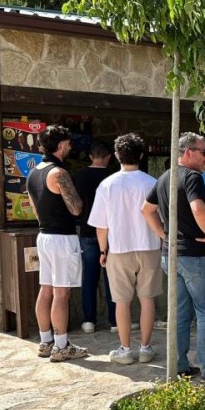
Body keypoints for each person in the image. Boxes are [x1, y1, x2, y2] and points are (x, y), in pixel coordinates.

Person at [142, 132, 205, 383]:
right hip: (196, 256)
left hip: (173, 256)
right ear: (188, 152)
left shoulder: (165, 177)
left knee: (180, 314)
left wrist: (165, 236)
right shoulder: (192, 177)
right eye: (204, 152)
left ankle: (180, 366)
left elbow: (146, 210)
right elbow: (198, 207)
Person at [87, 133, 162, 365]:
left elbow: (101, 225)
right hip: (149, 246)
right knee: (147, 299)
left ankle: (125, 349)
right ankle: (146, 348)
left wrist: (103, 251)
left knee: (122, 301)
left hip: (119, 248)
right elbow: (161, 217)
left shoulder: (107, 185)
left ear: (117, 155)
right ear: (141, 155)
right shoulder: (152, 182)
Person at [26, 125, 89, 363]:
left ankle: (46, 341)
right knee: (62, 293)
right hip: (62, 237)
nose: (71, 147)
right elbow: (76, 208)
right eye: (69, 143)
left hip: (44, 235)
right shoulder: (59, 173)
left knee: (46, 289)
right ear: (61, 145)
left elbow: (34, 209)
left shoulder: (33, 173)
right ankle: (61, 346)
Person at [73, 141, 118, 334]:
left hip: (87, 231)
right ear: (108, 157)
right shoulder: (113, 177)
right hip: (110, 234)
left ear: (91, 156)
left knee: (89, 278)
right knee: (112, 279)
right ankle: (115, 321)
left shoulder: (80, 176)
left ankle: (89, 320)